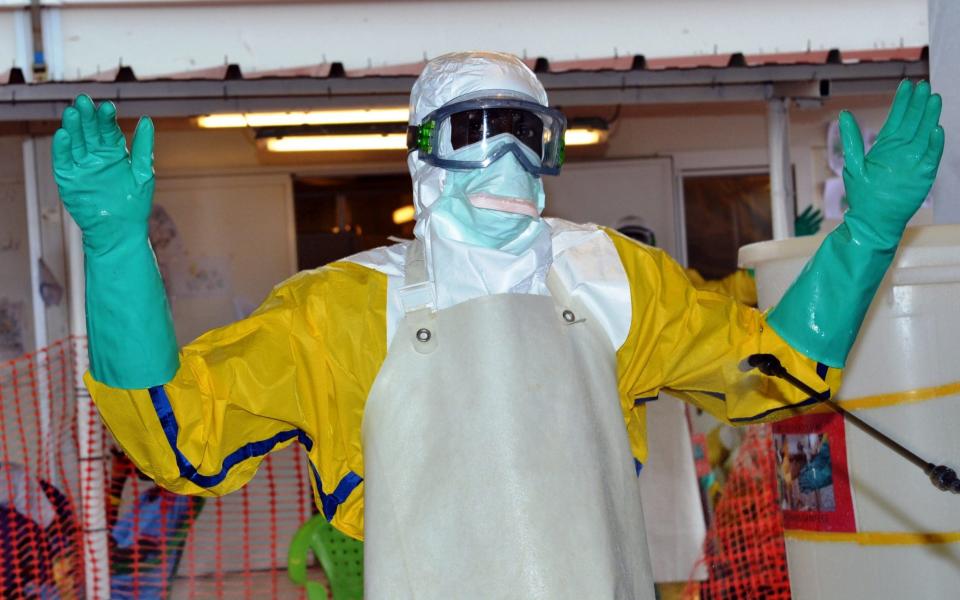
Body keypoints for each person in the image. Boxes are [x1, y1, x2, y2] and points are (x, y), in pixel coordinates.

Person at [51, 51, 943, 598]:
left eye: (530, 131)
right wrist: (117, 252)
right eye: (479, 128)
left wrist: (865, 237)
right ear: (424, 151)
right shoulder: (341, 312)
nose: (510, 159)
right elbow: (176, 433)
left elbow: (778, 370)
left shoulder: (613, 280)